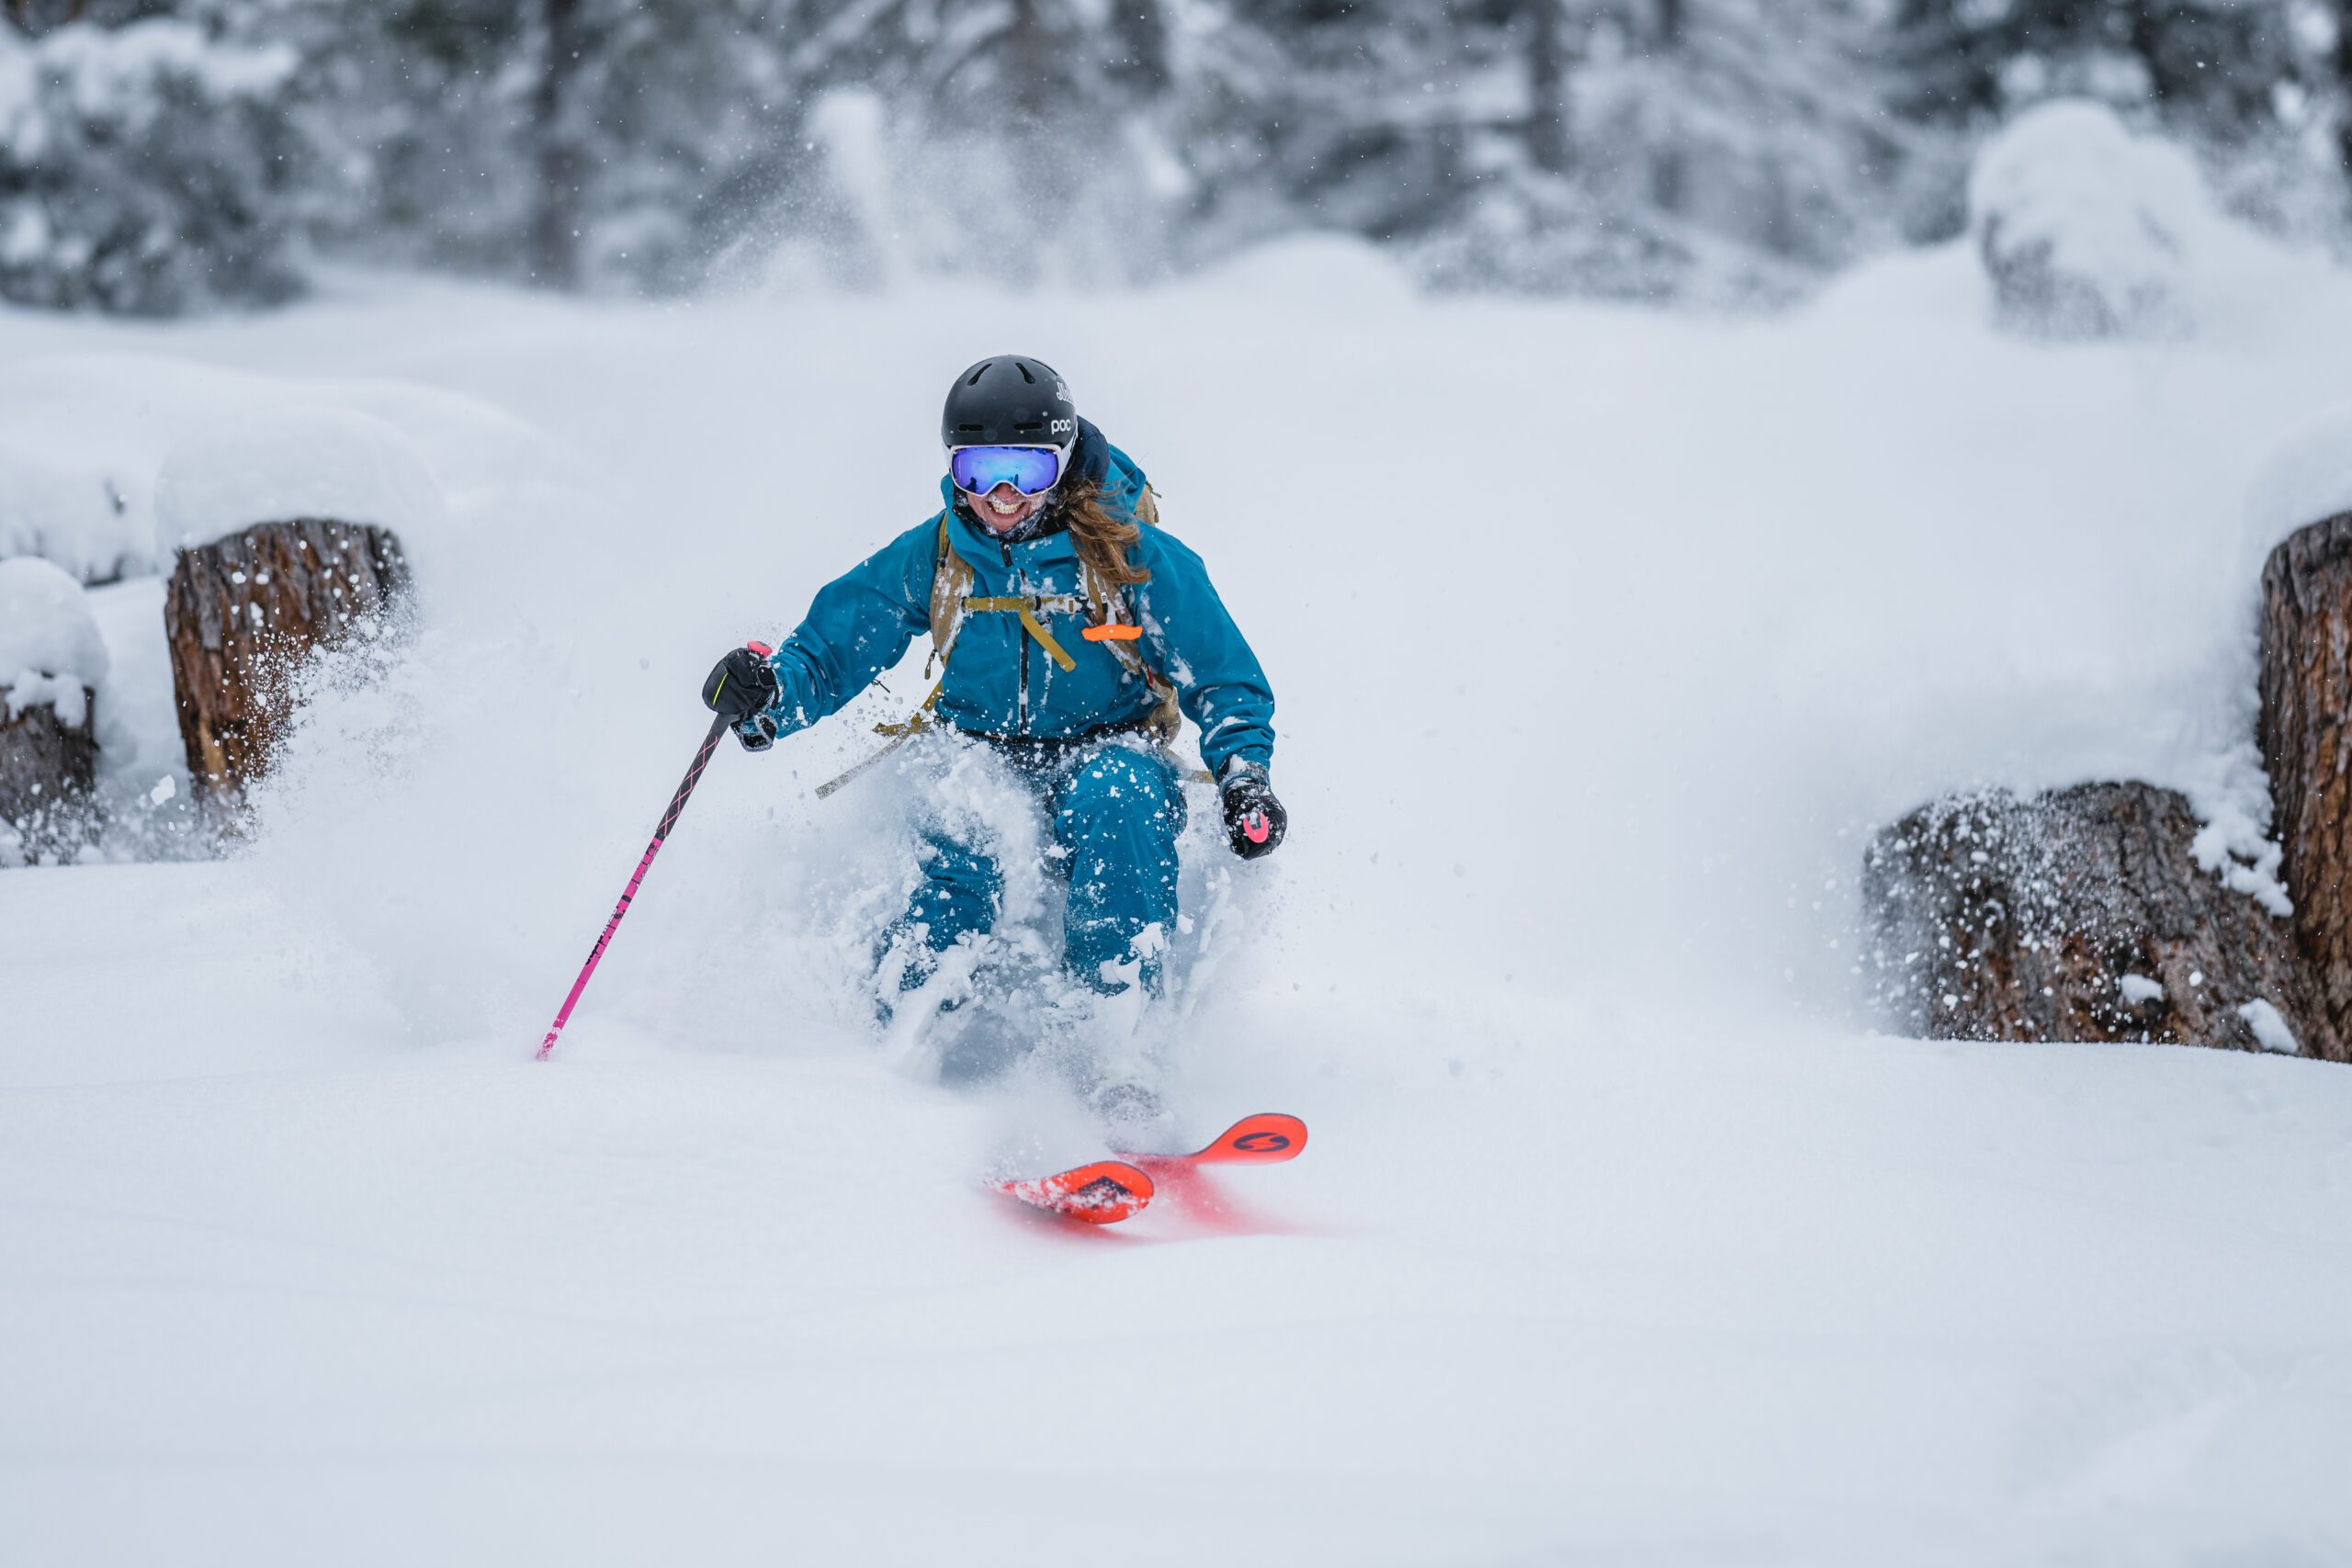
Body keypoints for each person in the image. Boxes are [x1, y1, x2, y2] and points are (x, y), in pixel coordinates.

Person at [700, 355, 1284, 1122]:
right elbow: (841, 639)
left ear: (1065, 460)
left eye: (1025, 469)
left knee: (1122, 801)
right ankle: (899, 1044)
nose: (1002, 497)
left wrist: (1245, 774)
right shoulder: (942, 551)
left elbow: (1224, 675)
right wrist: (772, 694)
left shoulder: (1129, 553)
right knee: (961, 825)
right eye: (979, 471)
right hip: (976, 746)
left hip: (1107, 744)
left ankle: (1118, 1046)